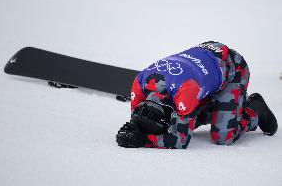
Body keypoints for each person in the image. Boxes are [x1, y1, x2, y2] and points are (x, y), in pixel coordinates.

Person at [116, 41, 278, 149]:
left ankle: (255, 110)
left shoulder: (185, 93)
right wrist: (134, 129)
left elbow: (181, 140)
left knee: (222, 137)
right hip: (204, 58)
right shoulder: (139, 83)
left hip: (232, 67)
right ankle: (222, 109)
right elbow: (135, 120)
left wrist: (145, 141)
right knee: (190, 118)